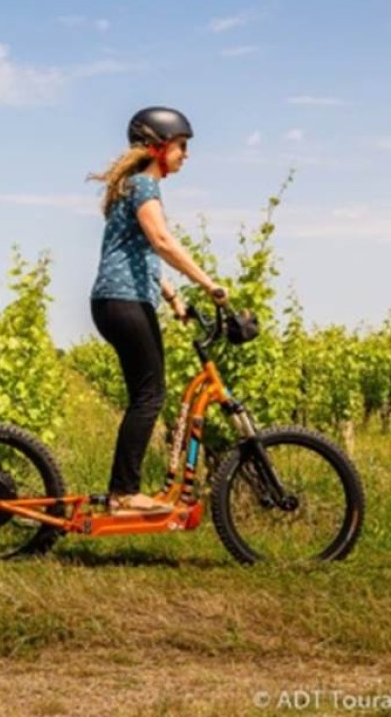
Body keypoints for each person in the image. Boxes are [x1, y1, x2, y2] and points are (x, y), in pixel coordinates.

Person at [89, 106, 227, 514]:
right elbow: (162, 241)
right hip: (123, 300)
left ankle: (123, 490)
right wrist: (209, 283)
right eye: (182, 146)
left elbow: (137, 253)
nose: (186, 154)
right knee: (150, 396)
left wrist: (172, 297)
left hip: (119, 299)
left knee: (146, 394)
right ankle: (124, 492)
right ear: (159, 146)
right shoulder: (144, 188)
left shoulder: (131, 187)